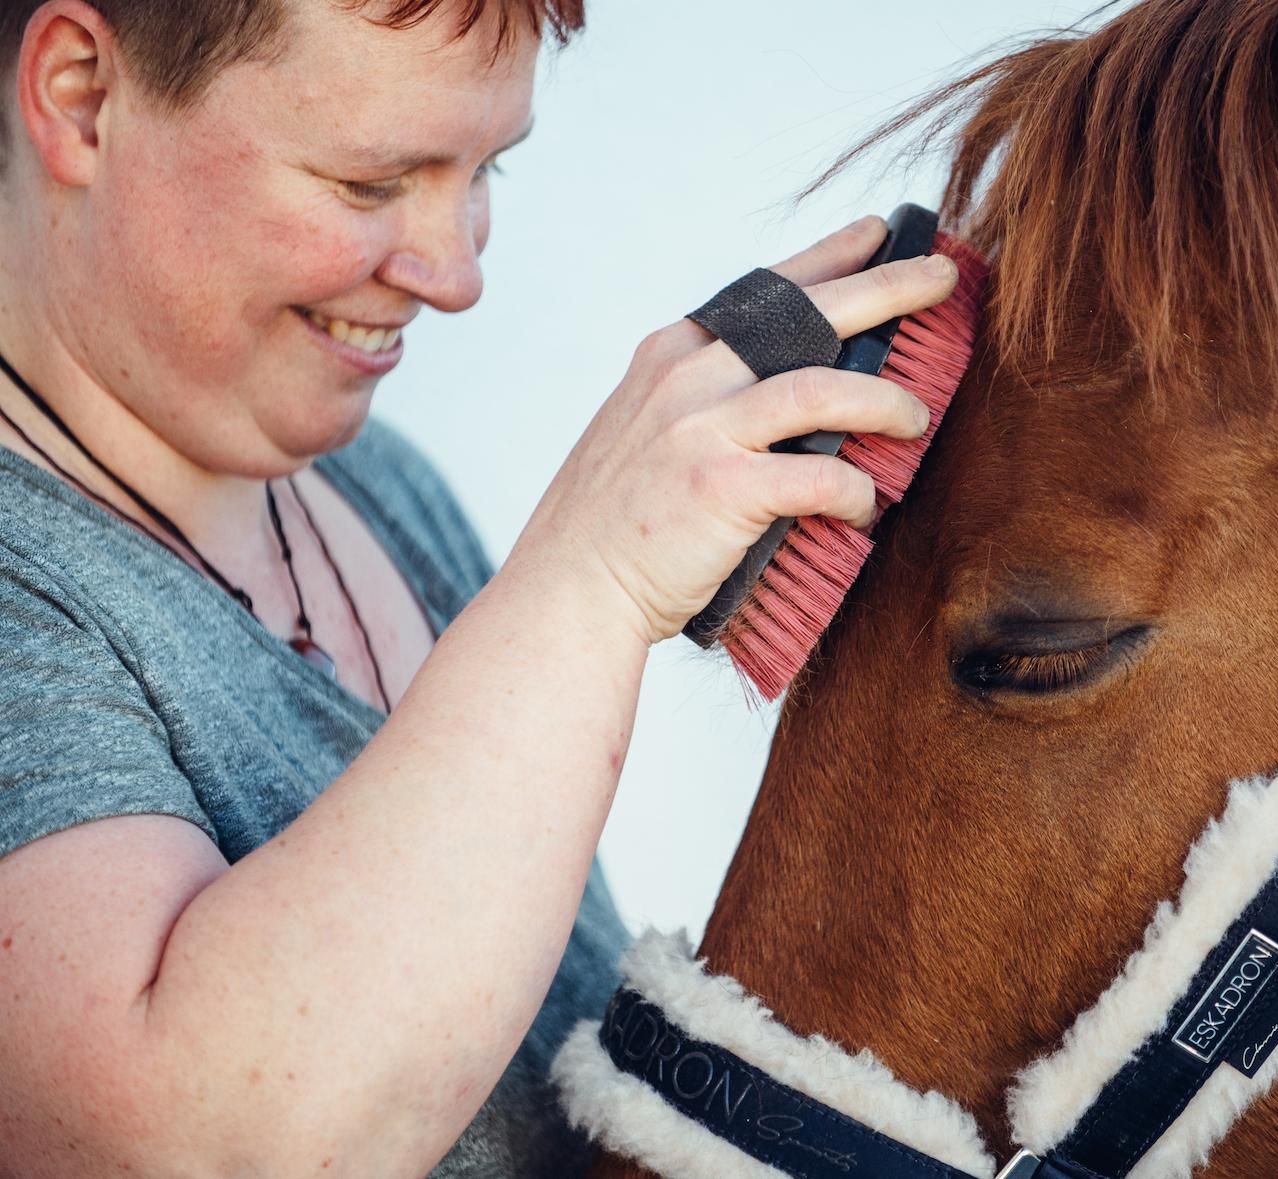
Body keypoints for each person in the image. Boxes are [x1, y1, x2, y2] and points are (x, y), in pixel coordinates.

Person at [0, 0, 957, 1174]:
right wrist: (586, 581)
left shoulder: (371, 488)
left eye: (482, 168)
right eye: (371, 180)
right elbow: (193, 1143)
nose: (453, 277)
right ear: (80, 97)